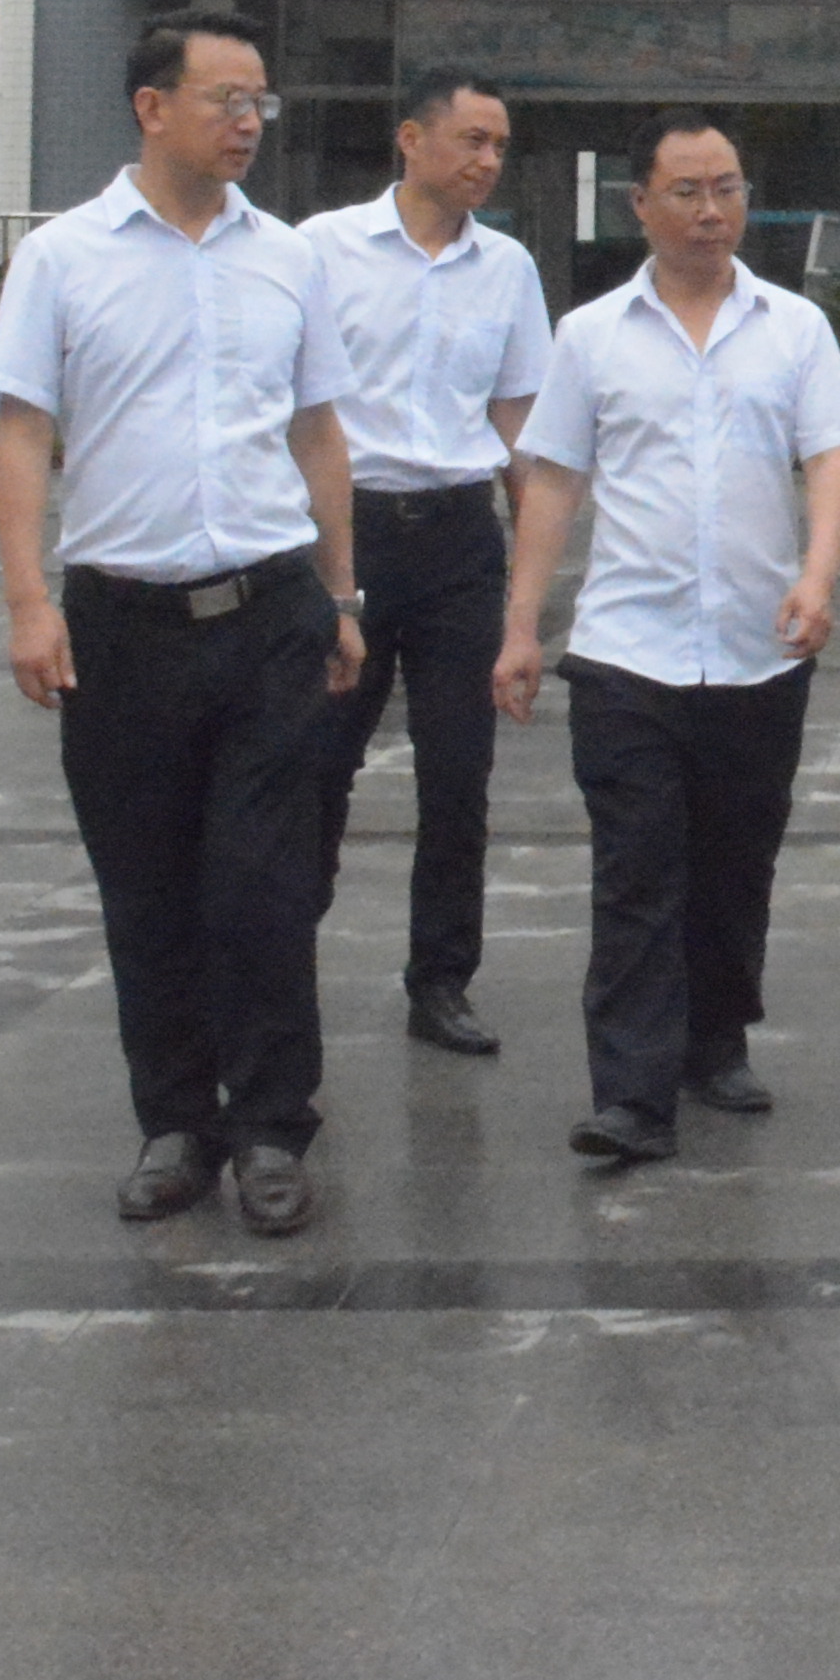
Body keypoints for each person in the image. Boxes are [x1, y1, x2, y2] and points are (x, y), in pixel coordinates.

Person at [0, 10, 364, 1236]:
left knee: (262, 886)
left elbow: (318, 434)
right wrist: (30, 604)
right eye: (225, 98)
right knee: (144, 884)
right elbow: (24, 435)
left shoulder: (289, 258)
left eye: (262, 99)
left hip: (269, 611)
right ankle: (176, 1119)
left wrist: (342, 595)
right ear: (153, 107)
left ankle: (270, 1125)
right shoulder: (64, 258)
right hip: (120, 622)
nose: (249, 120)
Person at [493, 107, 840, 1166]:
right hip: (627, 652)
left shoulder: (793, 327)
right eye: (689, 191)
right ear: (641, 204)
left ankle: (716, 1038)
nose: (712, 212)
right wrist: (523, 627)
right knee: (637, 873)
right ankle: (631, 1093)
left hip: (760, 648)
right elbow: (553, 479)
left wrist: (817, 576)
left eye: (729, 188)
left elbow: (829, 458)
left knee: (735, 863)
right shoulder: (592, 336)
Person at [297, 68, 559, 1059]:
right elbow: (297, 408)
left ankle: (441, 980)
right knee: (319, 761)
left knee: (460, 774)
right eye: (473, 139)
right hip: (346, 530)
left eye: (500, 144)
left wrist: (529, 580)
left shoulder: (509, 270)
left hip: (458, 535)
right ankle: (286, 957)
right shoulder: (320, 252)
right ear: (411, 138)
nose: (489, 160)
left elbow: (518, 421)